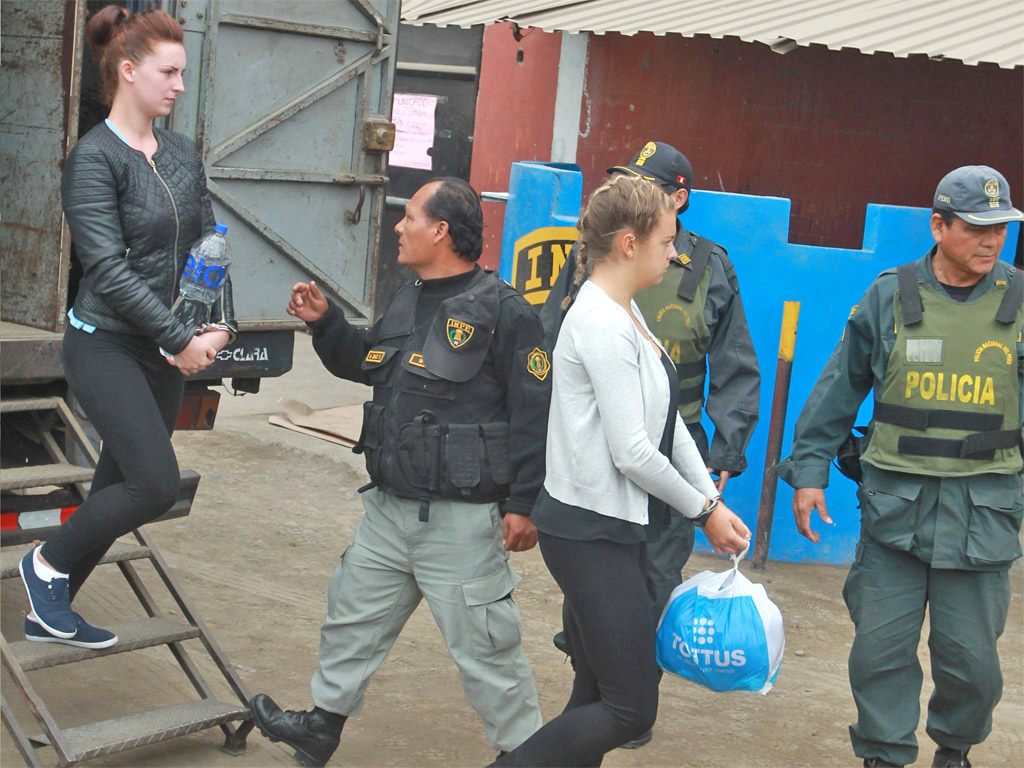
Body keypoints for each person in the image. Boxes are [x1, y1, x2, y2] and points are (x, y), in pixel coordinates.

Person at [249, 178, 548, 767]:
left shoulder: (505, 311)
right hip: (387, 511)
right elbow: (367, 363)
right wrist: (326, 322)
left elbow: (535, 415)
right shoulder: (408, 296)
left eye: (409, 216)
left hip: (459, 523)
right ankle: (320, 727)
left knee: (488, 650)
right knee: (351, 617)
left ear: (440, 231)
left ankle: (525, 754)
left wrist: (524, 503)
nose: (398, 226)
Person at [493, 175, 751, 768]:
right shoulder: (601, 322)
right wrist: (705, 511)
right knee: (630, 708)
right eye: (666, 240)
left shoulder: (625, 309)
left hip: (614, 527)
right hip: (588, 531)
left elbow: (671, 422)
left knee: (595, 693)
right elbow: (633, 451)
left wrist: (707, 496)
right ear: (630, 244)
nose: (675, 251)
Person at [777, 165, 1024, 768]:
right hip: (896, 514)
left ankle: (954, 749)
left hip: (982, 518)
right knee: (879, 653)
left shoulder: (1019, 301)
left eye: (1002, 228)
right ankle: (884, 755)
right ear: (938, 227)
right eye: (977, 228)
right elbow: (840, 387)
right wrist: (808, 472)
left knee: (974, 667)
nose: (992, 240)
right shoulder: (891, 295)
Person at [17, 5, 235, 650]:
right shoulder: (92, 160)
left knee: (118, 485)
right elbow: (108, 271)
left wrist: (216, 327)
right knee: (153, 483)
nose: (179, 85)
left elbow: (211, 243)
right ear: (129, 70)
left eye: (183, 73)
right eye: (169, 72)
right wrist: (178, 337)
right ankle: (45, 564)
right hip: (106, 343)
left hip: (163, 349)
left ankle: (48, 611)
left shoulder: (180, 153)